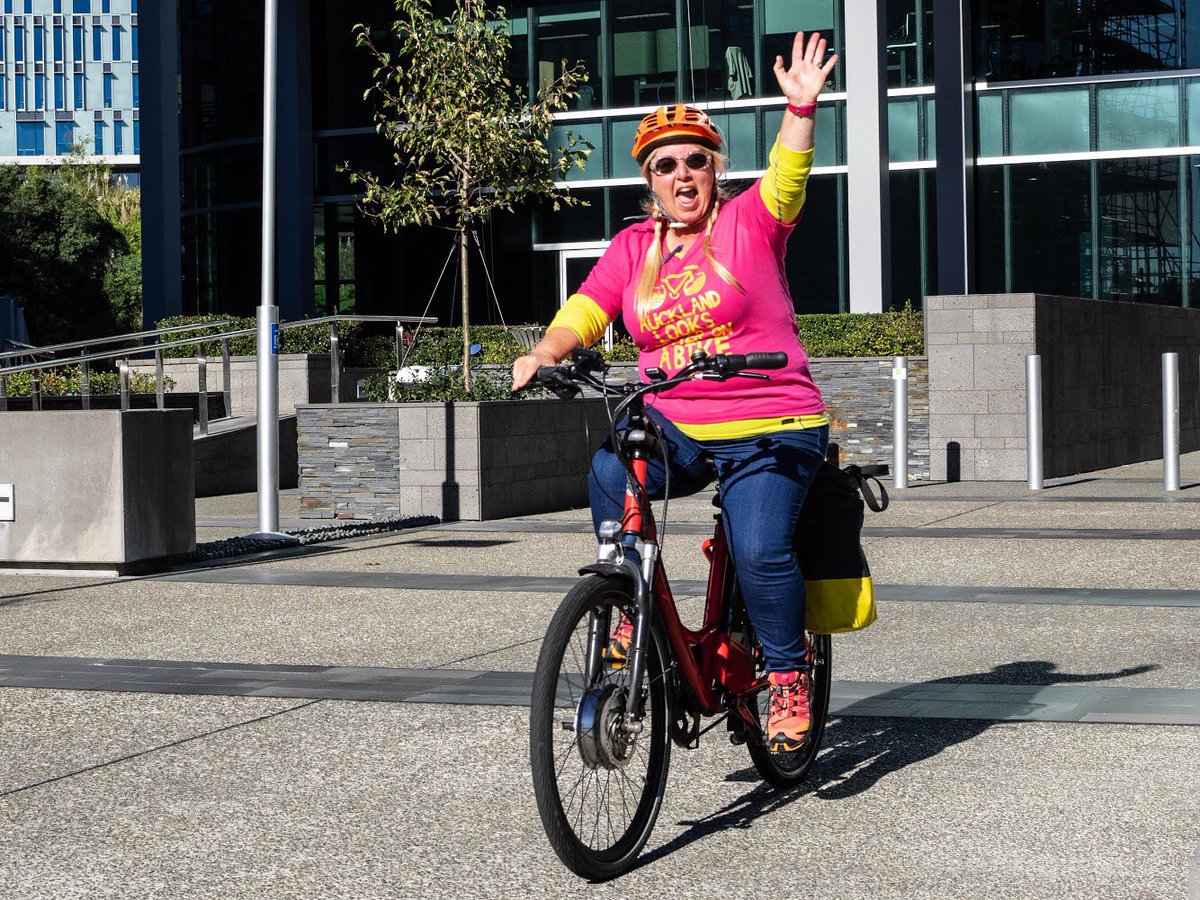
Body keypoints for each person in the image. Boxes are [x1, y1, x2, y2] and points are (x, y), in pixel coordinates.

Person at [512, 32, 837, 757]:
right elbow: (588, 307)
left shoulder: (751, 221)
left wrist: (800, 110)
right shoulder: (635, 246)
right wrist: (545, 352)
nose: (682, 173)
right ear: (650, 181)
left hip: (771, 420)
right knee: (610, 467)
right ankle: (629, 599)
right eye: (666, 165)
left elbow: (788, 176)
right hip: (678, 424)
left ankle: (787, 677)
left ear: (715, 170)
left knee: (759, 549)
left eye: (696, 160)